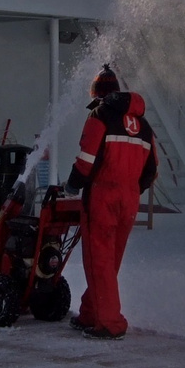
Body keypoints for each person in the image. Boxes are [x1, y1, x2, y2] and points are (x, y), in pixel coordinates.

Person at [65, 64, 157, 339]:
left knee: (98, 260)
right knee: (110, 260)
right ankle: (91, 313)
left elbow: (86, 160)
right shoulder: (143, 125)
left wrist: (72, 184)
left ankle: (109, 323)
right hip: (129, 199)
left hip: (102, 196)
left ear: (98, 95)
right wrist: (131, 188)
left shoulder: (99, 115)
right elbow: (152, 169)